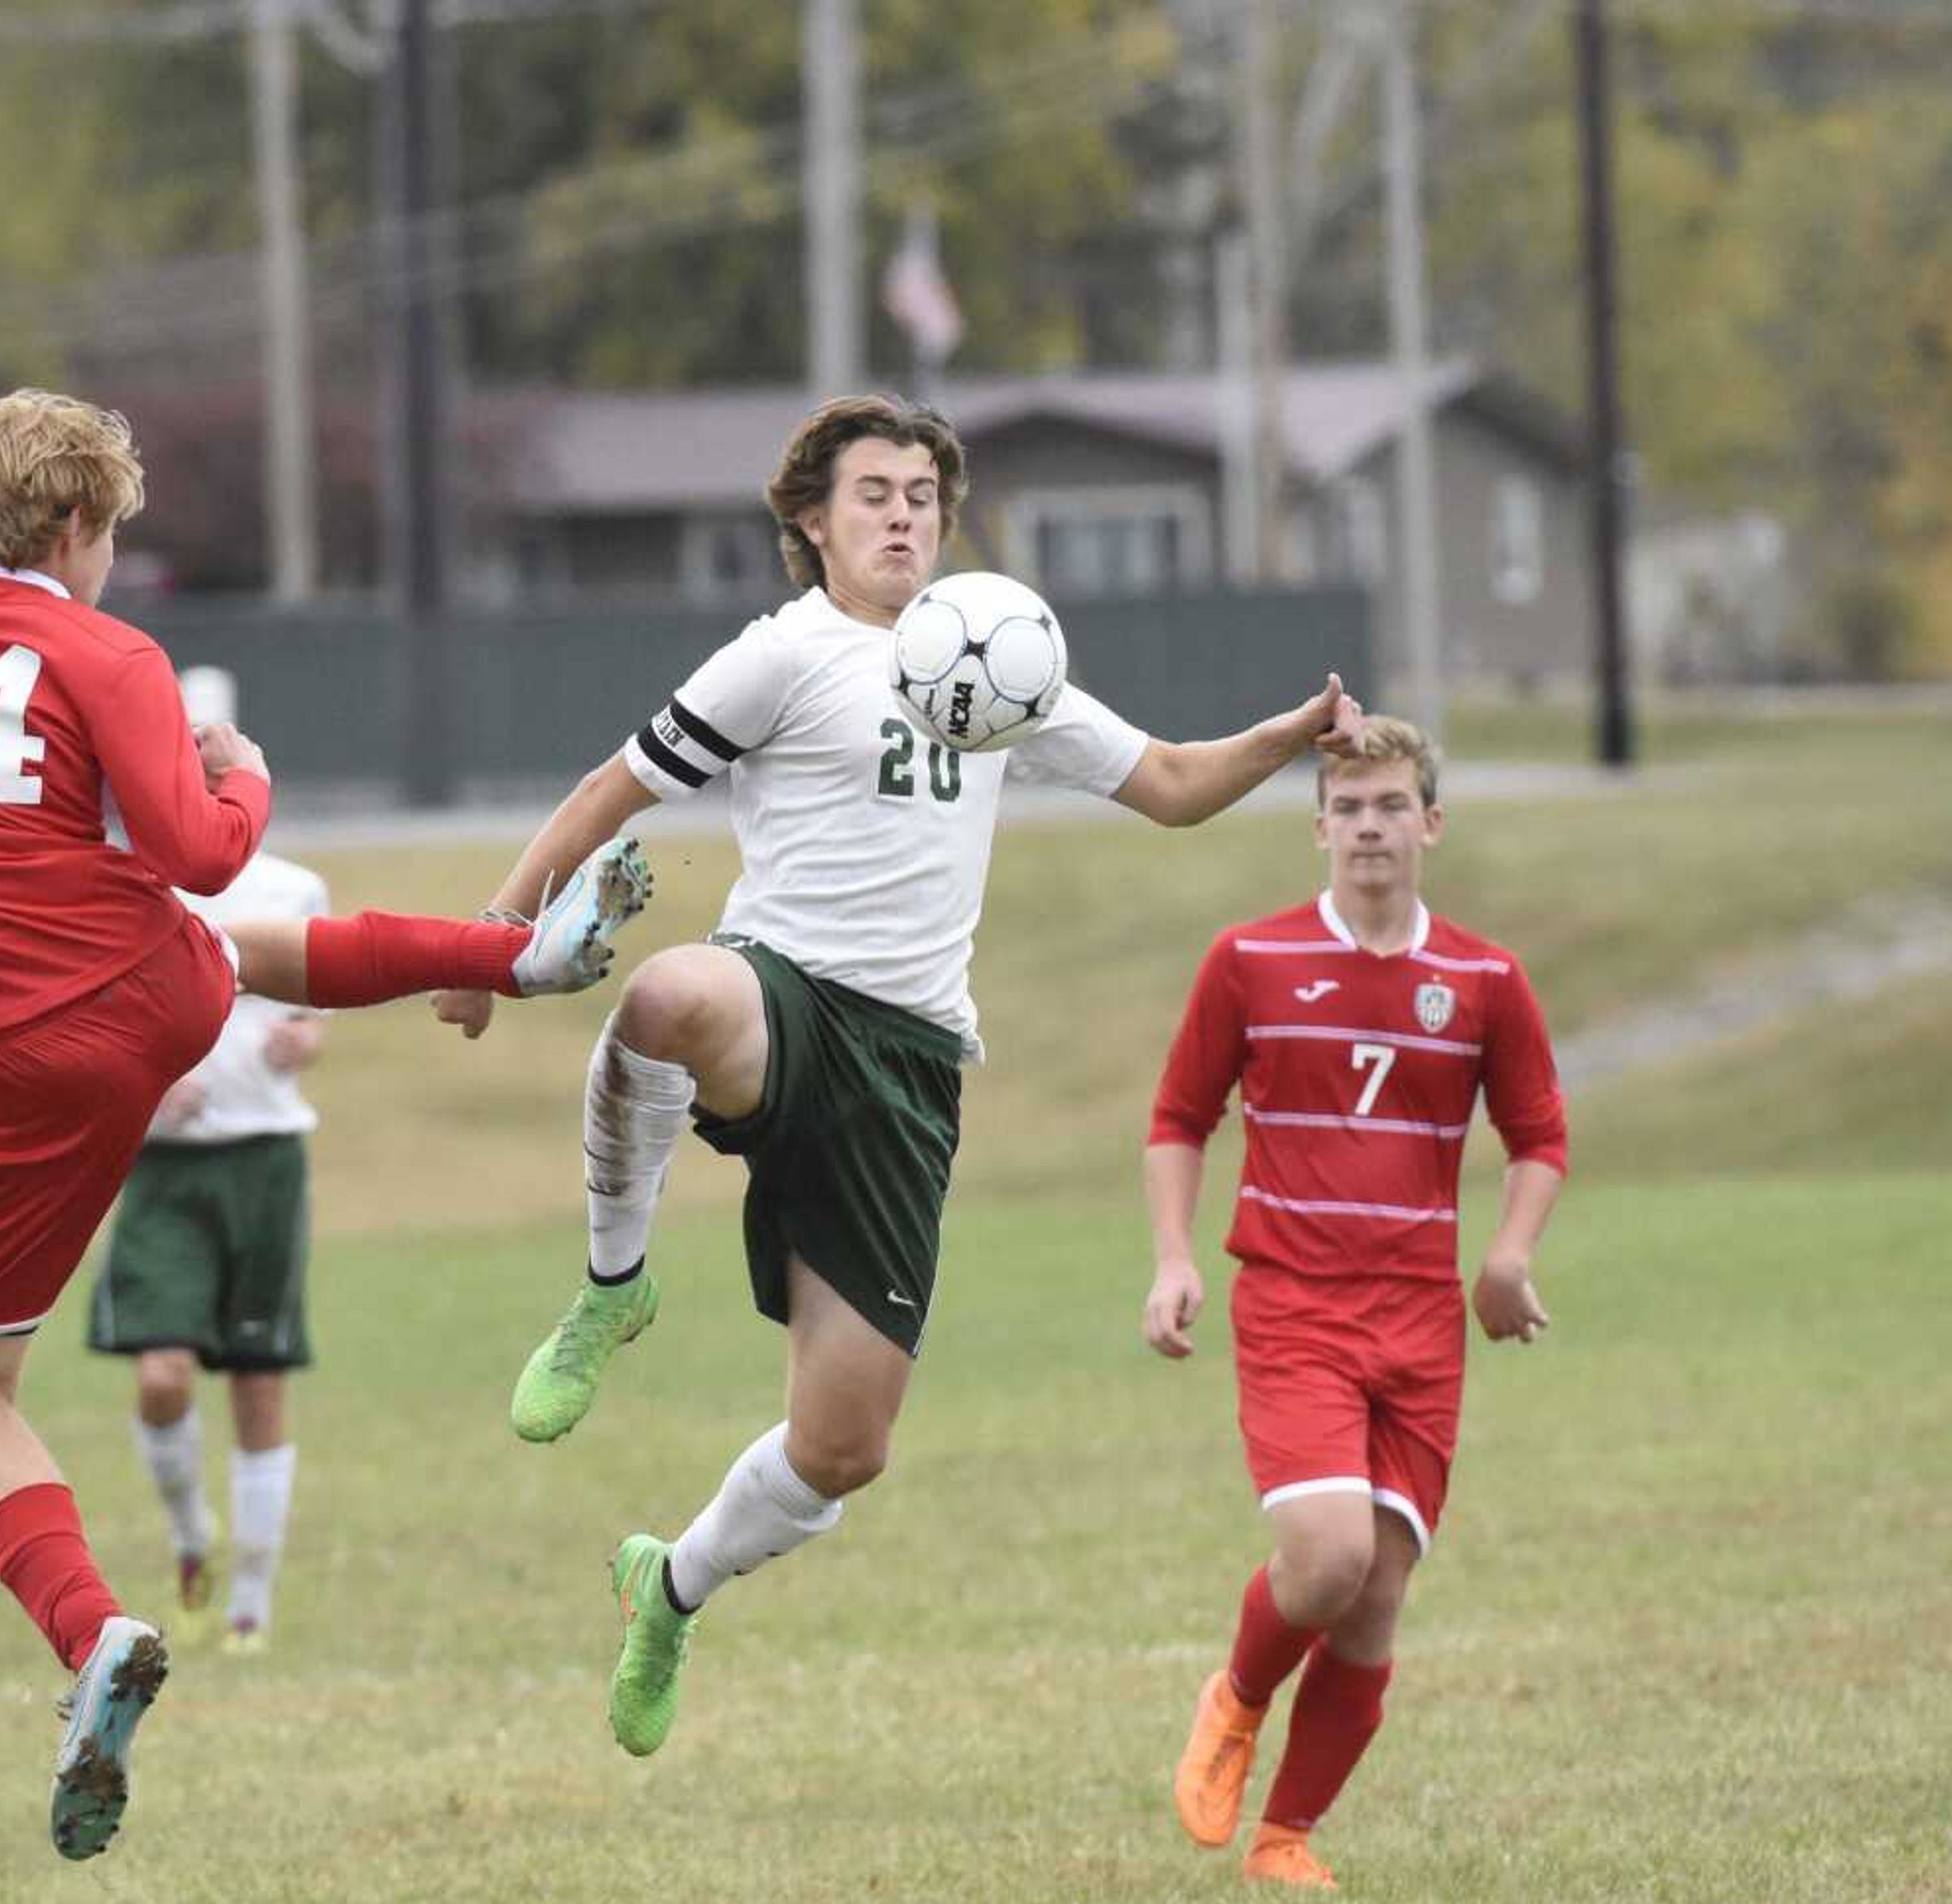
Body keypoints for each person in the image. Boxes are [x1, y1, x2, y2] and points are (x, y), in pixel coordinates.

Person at [0, 373, 649, 1860]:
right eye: (109, 533)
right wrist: (246, 777)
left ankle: (91, 1637)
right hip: (141, 996)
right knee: (240, 944)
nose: (111, 559)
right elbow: (204, 858)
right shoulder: (105, 647)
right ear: (71, 522)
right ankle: (513, 951)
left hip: (7, 1062)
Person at [431, 390, 1364, 1759]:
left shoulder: (990, 654)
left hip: (914, 1064)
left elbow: (1165, 781)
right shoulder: (782, 654)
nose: (904, 515)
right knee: (669, 991)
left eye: (924, 494)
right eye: (875, 492)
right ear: (813, 522)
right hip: (785, 992)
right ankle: (613, 1288)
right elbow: (614, 790)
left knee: (844, 1448)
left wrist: (1287, 736)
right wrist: (494, 938)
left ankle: (670, 1584)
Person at [1140, 716, 1568, 1891]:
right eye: (1350, 807)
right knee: (1326, 1558)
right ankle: (1233, 1698)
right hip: (1295, 1303)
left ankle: (1286, 1836)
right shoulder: (1252, 961)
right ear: (1319, 827)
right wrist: (1175, 1258)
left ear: (1430, 823)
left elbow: (1539, 1136)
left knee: (1376, 1598)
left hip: (1421, 1319)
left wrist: (1509, 1256)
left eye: (1392, 805)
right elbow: (1182, 1116)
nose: (1370, 826)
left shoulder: (1484, 979)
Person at [89, 848, 331, 1655]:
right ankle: (192, 1535)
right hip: (163, 1166)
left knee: (259, 1385)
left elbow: (316, 1012)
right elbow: (86, 1017)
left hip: (264, 1160)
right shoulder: (126, 884)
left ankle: (251, 1605)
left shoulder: (292, 887)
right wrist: (141, 1083)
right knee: (163, 1375)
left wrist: (306, 1038)